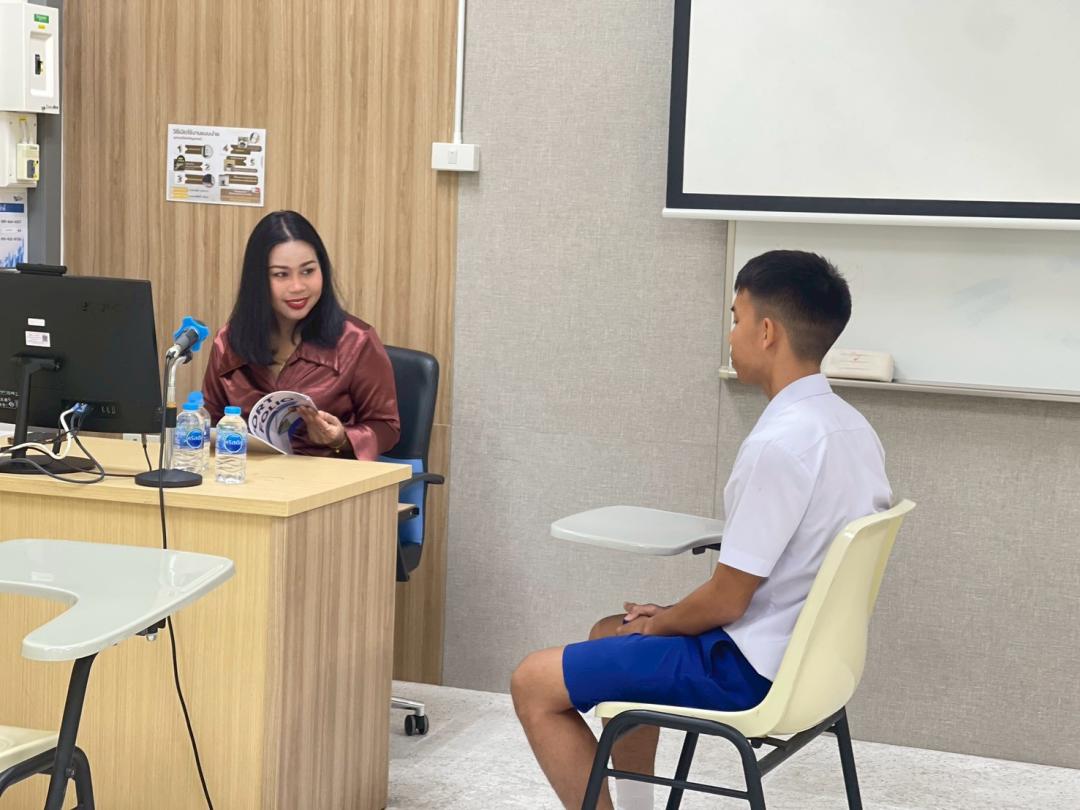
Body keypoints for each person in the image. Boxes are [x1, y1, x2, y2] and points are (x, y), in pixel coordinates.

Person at [510, 250, 892, 810]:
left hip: (749, 672)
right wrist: (662, 620)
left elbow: (727, 600)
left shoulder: (779, 444)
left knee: (532, 681)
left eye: (736, 319)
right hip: (813, 666)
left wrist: (661, 621)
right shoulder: (852, 429)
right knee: (607, 631)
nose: (731, 334)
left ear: (767, 332)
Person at [202, 210, 400, 459]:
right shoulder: (228, 341)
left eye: (307, 271)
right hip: (249, 475)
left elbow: (387, 427)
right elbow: (211, 423)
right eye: (281, 274)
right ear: (257, 280)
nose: (297, 286)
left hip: (329, 477)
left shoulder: (357, 340)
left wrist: (340, 438)